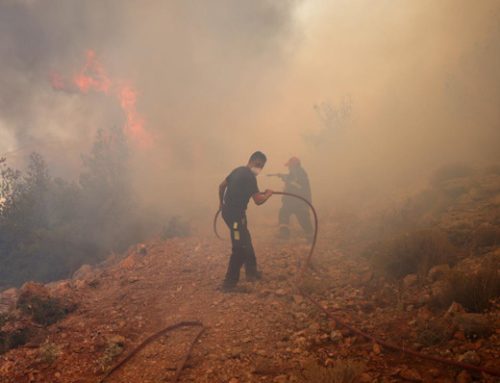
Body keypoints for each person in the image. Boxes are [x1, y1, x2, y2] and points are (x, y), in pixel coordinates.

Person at [218, 151, 273, 292]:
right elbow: (258, 201)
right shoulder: (250, 177)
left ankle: (251, 272)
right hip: (235, 217)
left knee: (245, 239)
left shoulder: (238, 170)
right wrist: (268, 195)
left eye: (261, 166)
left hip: (231, 214)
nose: (259, 168)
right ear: (251, 161)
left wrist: (221, 204)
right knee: (239, 247)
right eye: (258, 164)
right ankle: (228, 285)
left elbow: (221, 186)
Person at [277, 157, 313, 242]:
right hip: (291, 201)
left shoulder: (300, 173)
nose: (289, 168)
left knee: (304, 220)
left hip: (300, 201)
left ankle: (311, 238)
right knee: (283, 213)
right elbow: (291, 178)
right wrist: (283, 176)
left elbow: (299, 186)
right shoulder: (295, 172)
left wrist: (286, 180)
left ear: (294, 165)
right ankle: (284, 234)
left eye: (290, 166)